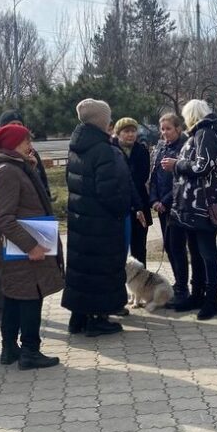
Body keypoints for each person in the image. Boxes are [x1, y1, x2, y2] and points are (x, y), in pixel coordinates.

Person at [0, 123, 63, 369]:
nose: (30, 146)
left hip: (21, 244)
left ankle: (10, 349)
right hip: (22, 246)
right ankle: (30, 351)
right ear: (13, 144)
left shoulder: (14, 167)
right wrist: (31, 246)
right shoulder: (6, 171)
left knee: (14, 298)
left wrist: (30, 169)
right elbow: (3, 217)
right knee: (29, 298)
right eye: (26, 141)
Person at [0, 109, 53, 327]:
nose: (20, 131)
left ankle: (19, 316)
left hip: (29, 224)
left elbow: (40, 183)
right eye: (14, 126)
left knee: (24, 274)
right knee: (3, 268)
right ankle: (0, 311)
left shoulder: (27, 155)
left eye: (20, 125)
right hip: (7, 225)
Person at [63, 99, 131, 336]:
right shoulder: (102, 149)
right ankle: (97, 319)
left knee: (82, 269)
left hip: (80, 219)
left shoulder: (76, 146)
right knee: (101, 269)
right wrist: (121, 209)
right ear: (101, 121)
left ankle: (78, 317)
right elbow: (108, 190)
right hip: (101, 222)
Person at [164, 99, 217, 320]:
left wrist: (176, 165)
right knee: (195, 251)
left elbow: (202, 166)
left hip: (203, 206)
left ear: (191, 115)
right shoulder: (200, 133)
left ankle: (212, 301)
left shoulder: (206, 134)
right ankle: (197, 294)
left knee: (207, 254)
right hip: (192, 206)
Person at [148, 113, 204, 309]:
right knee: (170, 247)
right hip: (161, 207)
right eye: (162, 129)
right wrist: (154, 199)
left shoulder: (185, 147)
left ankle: (183, 288)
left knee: (178, 246)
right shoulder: (160, 147)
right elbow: (154, 176)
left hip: (179, 205)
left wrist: (165, 201)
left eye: (169, 129)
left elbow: (182, 180)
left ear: (178, 129)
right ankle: (179, 283)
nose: (165, 133)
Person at [112, 117, 152, 265]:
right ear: (118, 133)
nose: (130, 134)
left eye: (133, 131)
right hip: (118, 203)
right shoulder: (111, 150)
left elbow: (142, 176)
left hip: (139, 202)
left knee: (139, 247)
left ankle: (141, 277)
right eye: (126, 131)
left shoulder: (142, 150)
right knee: (117, 248)